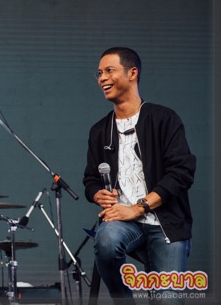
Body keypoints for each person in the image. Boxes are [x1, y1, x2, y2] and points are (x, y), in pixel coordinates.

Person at [83, 47, 195, 304]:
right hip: (123, 222)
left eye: (109, 70)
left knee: (168, 300)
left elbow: (182, 172)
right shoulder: (100, 130)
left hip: (165, 223)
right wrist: (96, 193)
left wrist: (139, 207)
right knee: (106, 239)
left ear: (132, 73)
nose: (102, 78)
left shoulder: (163, 118)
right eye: (99, 73)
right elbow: (90, 179)